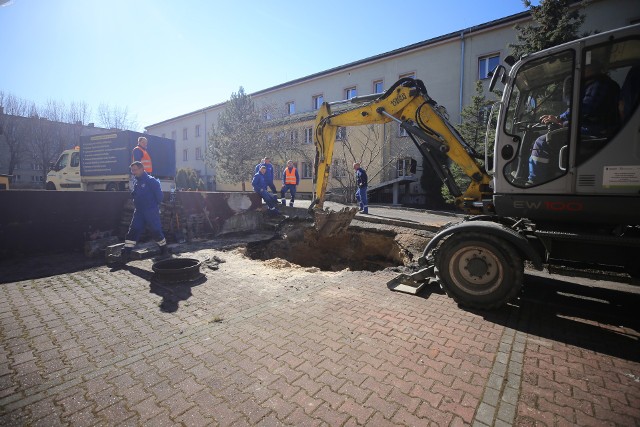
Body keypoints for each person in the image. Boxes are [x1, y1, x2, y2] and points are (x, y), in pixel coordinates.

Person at [528, 62, 620, 183]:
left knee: (541, 142)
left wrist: (560, 119)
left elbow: (585, 108)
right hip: (595, 127)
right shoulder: (600, 83)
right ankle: (554, 174)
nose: (580, 72)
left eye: (583, 68)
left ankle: (534, 182)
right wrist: (561, 120)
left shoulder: (600, 84)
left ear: (590, 68)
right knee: (556, 135)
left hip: (596, 131)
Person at [121, 161, 168, 262]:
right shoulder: (136, 182)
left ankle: (164, 251)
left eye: (135, 170)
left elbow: (160, 197)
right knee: (133, 230)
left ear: (142, 169)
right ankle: (126, 254)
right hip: (139, 212)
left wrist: (152, 206)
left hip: (151, 211)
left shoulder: (152, 181)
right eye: (132, 170)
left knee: (156, 231)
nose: (133, 172)